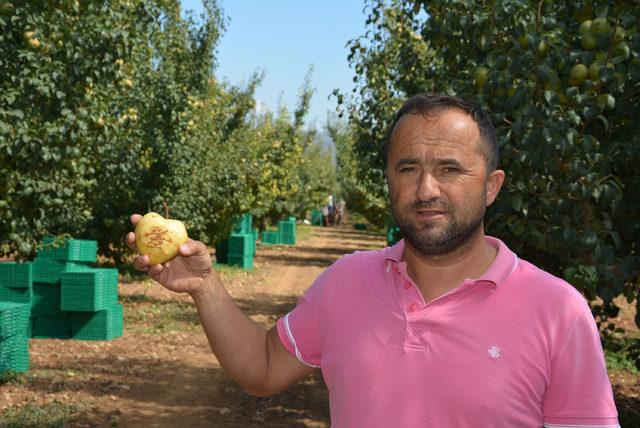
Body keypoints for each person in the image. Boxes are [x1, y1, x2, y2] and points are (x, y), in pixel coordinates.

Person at [126, 93, 619, 427]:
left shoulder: (558, 312)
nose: (427, 189)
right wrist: (205, 286)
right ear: (389, 178)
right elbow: (262, 368)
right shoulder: (347, 282)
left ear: (491, 186)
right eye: (408, 168)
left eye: (450, 169)